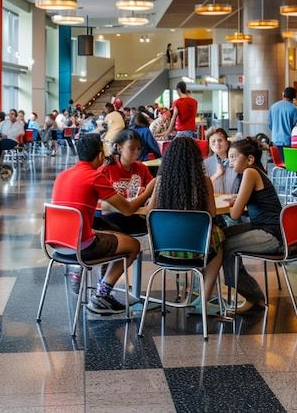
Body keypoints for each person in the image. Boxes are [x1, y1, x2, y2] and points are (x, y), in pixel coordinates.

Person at [51, 135, 152, 314]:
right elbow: (128, 209)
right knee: (133, 245)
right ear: (99, 156)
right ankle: (101, 295)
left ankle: (94, 280)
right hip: (81, 246)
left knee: (113, 233)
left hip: (57, 244)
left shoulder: (62, 175)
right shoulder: (94, 177)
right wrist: (149, 190)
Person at [145, 136, 224, 308]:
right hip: (197, 252)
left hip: (164, 251)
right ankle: (203, 300)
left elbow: (149, 212)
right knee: (219, 247)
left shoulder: (161, 182)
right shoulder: (204, 182)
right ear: (197, 159)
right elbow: (211, 214)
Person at [223, 137, 282, 313]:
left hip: (271, 235)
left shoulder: (250, 173)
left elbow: (235, 215)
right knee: (220, 235)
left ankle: (253, 297)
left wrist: (236, 202)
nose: (229, 161)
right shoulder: (255, 172)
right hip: (267, 228)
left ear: (249, 159)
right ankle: (251, 296)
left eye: (233, 157)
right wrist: (237, 199)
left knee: (221, 245)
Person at [98, 129, 156, 234]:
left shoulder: (142, 168)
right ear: (119, 148)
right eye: (131, 148)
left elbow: (152, 192)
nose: (137, 152)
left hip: (137, 217)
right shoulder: (106, 169)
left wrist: (148, 200)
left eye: (139, 149)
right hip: (112, 219)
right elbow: (98, 202)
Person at [204, 127, 239, 194]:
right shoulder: (206, 164)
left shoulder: (237, 161)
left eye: (220, 140)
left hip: (235, 201)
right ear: (209, 144)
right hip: (216, 202)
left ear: (227, 142)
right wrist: (217, 174)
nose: (217, 144)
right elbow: (203, 187)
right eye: (213, 141)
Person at [268, 87, 297, 158]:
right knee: (289, 164)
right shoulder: (293, 109)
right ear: (294, 97)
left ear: (283, 95)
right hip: (288, 141)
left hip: (275, 140)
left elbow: (270, 125)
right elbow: (296, 126)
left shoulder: (273, 107)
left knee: (279, 163)